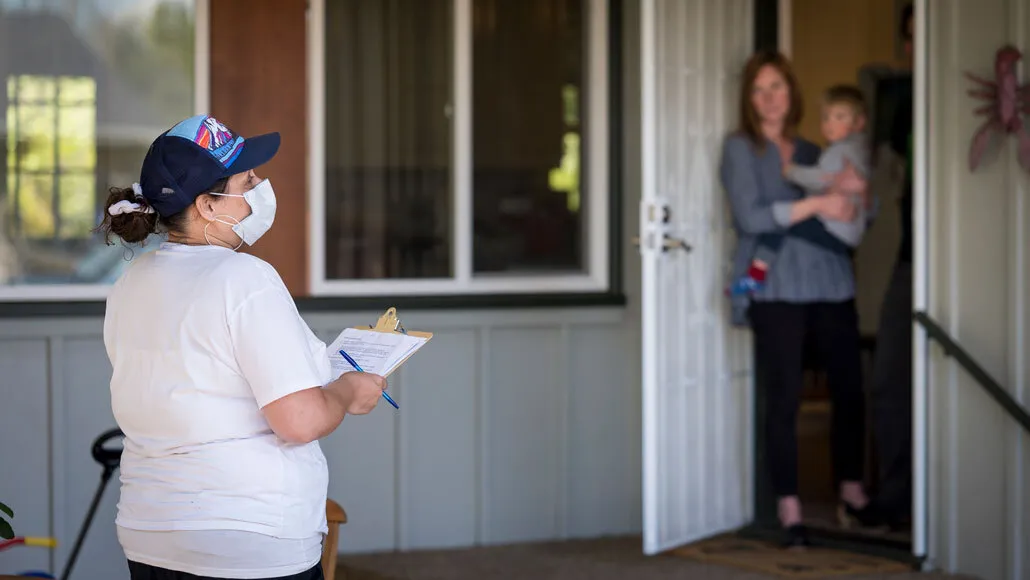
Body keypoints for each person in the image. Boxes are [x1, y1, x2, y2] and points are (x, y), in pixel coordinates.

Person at [97, 114, 388, 580]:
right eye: (247, 179)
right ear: (207, 205)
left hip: (150, 534)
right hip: (248, 540)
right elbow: (298, 420)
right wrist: (347, 393)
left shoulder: (132, 281)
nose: (260, 187)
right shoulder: (244, 279)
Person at [720, 51, 876, 547]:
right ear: (748, 99)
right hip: (774, 282)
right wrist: (815, 203)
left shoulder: (814, 151)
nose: (770, 98)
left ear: (793, 93)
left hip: (831, 281)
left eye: (778, 87)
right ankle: (788, 505)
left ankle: (851, 489)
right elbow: (751, 217)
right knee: (784, 397)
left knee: (849, 389)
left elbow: (855, 217)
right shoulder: (739, 148)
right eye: (759, 89)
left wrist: (859, 200)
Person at [731, 84, 872, 295]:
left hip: (833, 230)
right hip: (846, 234)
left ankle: (755, 276)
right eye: (826, 117)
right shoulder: (860, 150)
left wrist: (790, 171)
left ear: (858, 123)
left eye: (840, 117)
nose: (830, 124)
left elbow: (820, 179)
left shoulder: (840, 152)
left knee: (779, 222)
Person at [868, 1, 915, 531]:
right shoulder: (901, 102)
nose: (911, 48)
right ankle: (896, 495)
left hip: (955, 262)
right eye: (907, 37)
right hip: (908, 259)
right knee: (888, 381)